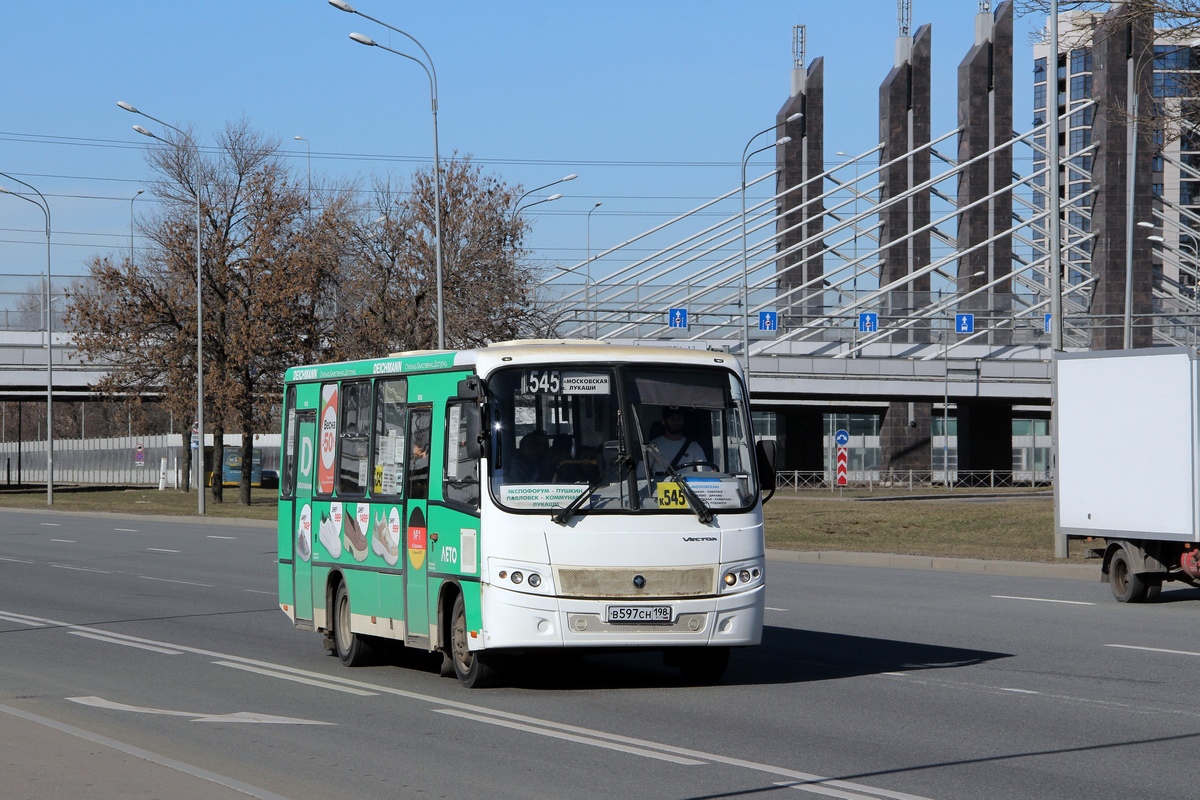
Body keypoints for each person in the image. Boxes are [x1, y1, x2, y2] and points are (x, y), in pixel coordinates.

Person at [648, 406, 707, 473]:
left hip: (686, 483)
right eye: (672, 419)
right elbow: (641, 474)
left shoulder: (693, 446)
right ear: (663, 421)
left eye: (679, 418)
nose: (676, 422)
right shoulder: (652, 446)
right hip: (662, 483)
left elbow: (705, 472)